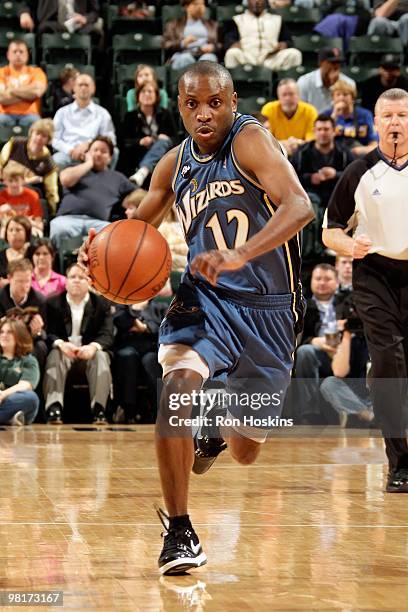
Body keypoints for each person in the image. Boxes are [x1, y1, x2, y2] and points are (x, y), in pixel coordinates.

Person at [79, 61, 314, 574]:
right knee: (178, 384)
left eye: (215, 103)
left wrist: (243, 253)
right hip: (204, 300)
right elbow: (136, 227)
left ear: (232, 103)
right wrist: (97, 251)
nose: (204, 113)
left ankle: (215, 425)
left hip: (269, 310)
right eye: (192, 104)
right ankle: (180, 530)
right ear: (179, 107)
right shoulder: (174, 163)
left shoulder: (250, 141)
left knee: (246, 449)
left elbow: (299, 206)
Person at [322, 87, 408, 493]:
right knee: (389, 362)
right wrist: (347, 245)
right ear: (375, 123)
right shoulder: (358, 172)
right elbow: (329, 230)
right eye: (388, 116)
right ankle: (400, 462)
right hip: (374, 274)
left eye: (403, 116)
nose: (396, 123)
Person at [43, 263, 113, 424]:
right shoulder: (52, 303)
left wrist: (92, 347)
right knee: (54, 355)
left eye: (82, 277)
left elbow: (107, 334)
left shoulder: (101, 304)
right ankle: (54, 408)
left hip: (88, 353)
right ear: (65, 281)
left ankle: (99, 409)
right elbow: (48, 333)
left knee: (101, 356)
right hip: (64, 352)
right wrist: (61, 344)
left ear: (89, 281)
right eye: (72, 277)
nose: (76, 281)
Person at [50, 136, 136, 249]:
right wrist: (88, 164)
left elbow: (138, 194)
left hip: (99, 223)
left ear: (110, 158)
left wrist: (130, 204)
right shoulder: (74, 167)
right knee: (58, 229)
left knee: (113, 235)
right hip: (68, 219)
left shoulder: (117, 178)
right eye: (95, 150)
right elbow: (65, 180)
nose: (98, 154)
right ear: (88, 153)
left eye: (103, 151)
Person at [113, 300, 168, 423]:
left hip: (151, 347)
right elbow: (119, 320)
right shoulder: (122, 304)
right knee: (127, 356)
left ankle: (160, 410)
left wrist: (145, 327)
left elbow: (166, 326)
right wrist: (135, 321)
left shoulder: (161, 306)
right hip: (127, 345)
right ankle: (128, 410)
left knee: (151, 360)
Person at [52, 74, 117, 169]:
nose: (83, 88)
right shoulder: (62, 112)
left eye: (86, 85)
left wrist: (89, 145)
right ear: (74, 88)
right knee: (56, 160)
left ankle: (105, 182)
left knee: (114, 152)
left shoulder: (102, 113)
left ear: (93, 88)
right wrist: (71, 150)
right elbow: (54, 139)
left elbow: (110, 138)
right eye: (80, 85)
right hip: (67, 153)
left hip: (94, 152)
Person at [0, 118, 59, 214]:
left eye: (44, 136)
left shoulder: (48, 162)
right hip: (4, 187)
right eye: (37, 134)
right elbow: (0, 165)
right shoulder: (14, 143)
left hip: (27, 196)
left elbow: (51, 191)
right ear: (31, 133)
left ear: (48, 140)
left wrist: (52, 212)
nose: (39, 138)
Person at [124, 80, 177, 186]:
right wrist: (140, 141)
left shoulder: (165, 114)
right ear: (138, 96)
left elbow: (176, 139)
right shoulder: (130, 116)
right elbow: (124, 141)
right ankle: (144, 171)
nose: (146, 94)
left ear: (156, 96)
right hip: (139, 153)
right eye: (143, 92)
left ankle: (142, 172)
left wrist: (165, 138)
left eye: (150, 91)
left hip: (163, 155)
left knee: (162, 141)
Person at [223, 0, 301, 71]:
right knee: (232, 53)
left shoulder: (277, 19)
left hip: (271, 59)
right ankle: (232, 85)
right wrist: (233, 43)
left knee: (294, 54)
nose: (257, 2)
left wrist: (284, 44)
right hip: (247, 58)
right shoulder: (238, 19)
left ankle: (285, 84)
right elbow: (229, 39)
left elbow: (288, 40)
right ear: (248, 1)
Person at [0, 258, 48, 373]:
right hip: (4, 339)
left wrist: (38, 331)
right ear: (9, 278)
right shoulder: (0, 297)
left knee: (41, 347)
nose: (25, 286)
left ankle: (34, 386)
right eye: (20, 281)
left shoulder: (40, 300)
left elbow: (46, 334)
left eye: (27, 281)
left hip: (28, 341)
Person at [261, 78, 318, 156]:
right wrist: (282, 144)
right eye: (284, 95)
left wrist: (298, 143)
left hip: (303, 153)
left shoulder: (310, 111)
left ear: (298, 95)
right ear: (278, 97)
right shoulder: (268, 110)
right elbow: (265, 140)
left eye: (291, 94)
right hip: (276, 153)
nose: (288, 98)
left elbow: (312, 141)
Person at [0, 317, 40, 426]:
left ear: (19, 335)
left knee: (31, 398)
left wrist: (3, 394)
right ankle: (10, 419)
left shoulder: (28, 360)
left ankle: (11, 417)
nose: (4, 335)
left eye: (9, 332)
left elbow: (26, 385)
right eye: (2, 332)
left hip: (14, 401)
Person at [0, 40, 47, 128]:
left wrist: (11, 90)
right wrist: (28, 94)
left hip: (31, 115)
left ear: (27, 54)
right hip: (4, 114)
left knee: (40, 127)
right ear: (8, 55)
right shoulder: (1, 72)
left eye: (21, 51)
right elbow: (1, 98)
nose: (18, 54)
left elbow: (37, 92)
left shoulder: (36, 72)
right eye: (14, 51)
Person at [323, 80, 377, 157]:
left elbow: (374, 144)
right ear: (333, 98)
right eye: (338, 95)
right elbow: (322, 141)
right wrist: (334, 116)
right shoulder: (327, 115)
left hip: (358, 154)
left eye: (345, 94)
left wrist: (360, 150)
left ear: (352, 98)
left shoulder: (365, 115)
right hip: (334, 155)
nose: (341, 98)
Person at [163, 0, 219, 69]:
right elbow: (166, 44)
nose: (200, 7)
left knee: (208, 58)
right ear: (186, 6)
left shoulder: (212, 25)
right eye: (196, 4)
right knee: (186, 58)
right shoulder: (173, 25)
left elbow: (220, 44)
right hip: (182, 54)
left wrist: (213, 47)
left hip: (204, 54)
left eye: (202, 4)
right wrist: (183, 43)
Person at [297, 47, 356, 113]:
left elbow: (348, 116)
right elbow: (300, 112)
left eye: (338, 62)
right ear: (321, 63)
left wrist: (335, 86)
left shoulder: (348, 83)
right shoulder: (305, 82)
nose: (336, 66)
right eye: (332, 63)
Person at [0, 162, 44, 236]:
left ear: (23, 180)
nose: (14, 184)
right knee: (3, 232)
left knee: (35, 232)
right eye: (10, 181)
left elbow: (40, 225)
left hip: (29, 227)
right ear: (5, 181)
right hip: (8, 229)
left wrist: (28, 222)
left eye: (17, 180)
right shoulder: (1, 196)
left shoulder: (32, 195)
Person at [19, 0, 101, 35]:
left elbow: (95, 12)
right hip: (52, 23)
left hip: (78, 25)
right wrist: (24, 13)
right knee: (45, 28)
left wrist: (85, 19)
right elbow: (26, 3)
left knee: (95, 32)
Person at [0, 216, 31, 285]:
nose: (13, 233)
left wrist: (9, 283)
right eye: (10, 230)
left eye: (18, 230)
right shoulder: (1, 255)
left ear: (27, 232)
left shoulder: (33, 254)